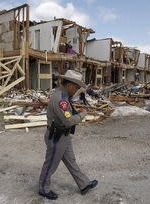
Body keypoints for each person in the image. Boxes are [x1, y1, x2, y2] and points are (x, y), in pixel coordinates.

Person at [38, 70, 98, 200]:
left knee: (71, 162)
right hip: (56, 137)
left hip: (63, 136)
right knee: (51, 164)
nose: (76, 90)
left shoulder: (63, 95)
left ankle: (84, 184)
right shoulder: (60, 98)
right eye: (76, 87)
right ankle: (43, 188)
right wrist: (82, 114)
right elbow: (68, 121)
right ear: (70, 85)